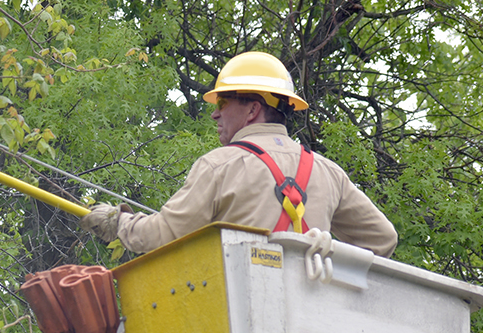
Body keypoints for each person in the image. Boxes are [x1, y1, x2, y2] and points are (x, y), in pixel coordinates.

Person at [80, 51, 398, 257]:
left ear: (253, 109)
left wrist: (118, 222)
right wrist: (327, 257)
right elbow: (382, 239)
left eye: (222, 103)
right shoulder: (329, 173)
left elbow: (162, 237)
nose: (214, 114)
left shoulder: (220, 166)